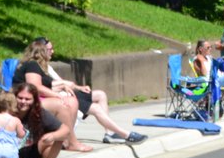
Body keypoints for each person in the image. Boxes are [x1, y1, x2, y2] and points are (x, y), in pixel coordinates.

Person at [19, 40, 147, 146]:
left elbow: (58, 83)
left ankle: (109, 133)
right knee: (95, 108)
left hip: (60, 94)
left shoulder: (44, 66)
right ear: (41, 51)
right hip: (52, 97)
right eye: (50, 49)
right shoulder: (33, 66)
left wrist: (78, 87)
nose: (53, 51)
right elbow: (36, 86)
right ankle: (125, 134)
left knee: (100, 95)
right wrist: (60, 93)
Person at [11, 83, 70, 158]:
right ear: (14, 97)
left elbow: (65, 129)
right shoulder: (8, 113)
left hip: (28, 152)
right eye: (20, 98)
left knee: (57, 138)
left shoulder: (38, 113)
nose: (23, 102)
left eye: (27, 99)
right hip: (9, 154)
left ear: (34, 100)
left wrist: (53, 135)